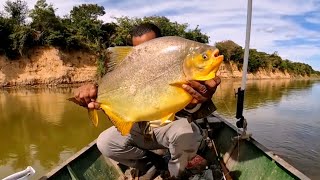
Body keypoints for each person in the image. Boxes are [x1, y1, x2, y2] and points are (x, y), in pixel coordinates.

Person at [73, 23, 221, 179]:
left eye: (150, 47)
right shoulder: (130, 70)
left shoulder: (187, 68)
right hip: (143, 131)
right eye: (139, 51)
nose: (145, 55)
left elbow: (196, 109)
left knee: (186, 133)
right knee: (105, 142)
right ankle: (154, 165)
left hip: (171, 128)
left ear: (161, 43)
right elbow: (114, 91)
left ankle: (177, 175)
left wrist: (198, 101)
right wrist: (94, 91)